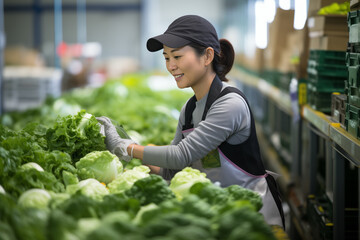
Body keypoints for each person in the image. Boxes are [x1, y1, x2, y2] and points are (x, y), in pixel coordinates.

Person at [96, 15, 285, 228]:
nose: (171, 66)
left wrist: (129, 149)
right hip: (218, 214)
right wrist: (129, 150)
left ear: (207, 56)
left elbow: (180, 155)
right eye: (167, 58)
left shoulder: (230, 104)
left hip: (253, 217)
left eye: (177, 56)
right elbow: (172, 170)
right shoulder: (190, 109)